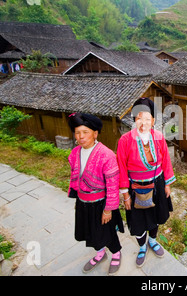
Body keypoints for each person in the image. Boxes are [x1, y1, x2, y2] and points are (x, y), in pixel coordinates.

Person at [117, 98, 175, 267]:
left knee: (156, 216)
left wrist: (167, 184)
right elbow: (121, 167)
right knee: (138, 221)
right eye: (139, 118)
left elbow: (166, 162)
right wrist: (126, 195)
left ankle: (153, 240)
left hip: (157, 184)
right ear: (134, 119)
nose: (143, 123)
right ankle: (142, 246)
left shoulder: (159, 137)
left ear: (153, 121)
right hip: (135, 187)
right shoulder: (125, 140)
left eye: (147, 119)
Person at [67, 112, 124, 275]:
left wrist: (108, 210)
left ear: (95, 133)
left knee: (107, 232)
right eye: (77, 132)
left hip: (101, 203)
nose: (81, 136)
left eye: (85, 132)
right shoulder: (75, 153)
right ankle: (100, 253)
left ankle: (116, 254)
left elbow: (113, 186)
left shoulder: (106, 155)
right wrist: (77, 199)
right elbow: (75, 177)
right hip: (83, 202)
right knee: (89, 231)